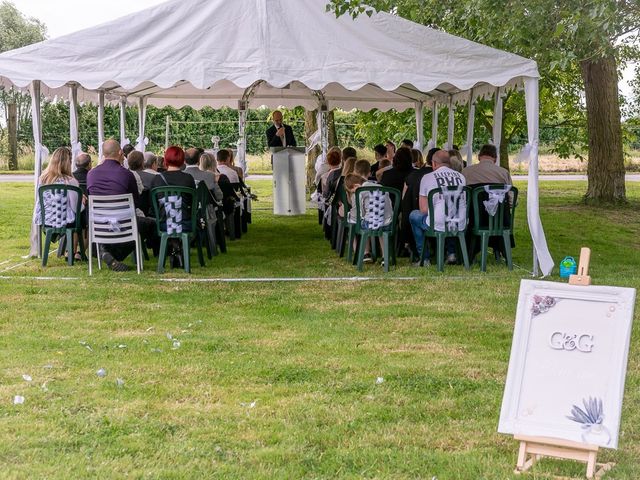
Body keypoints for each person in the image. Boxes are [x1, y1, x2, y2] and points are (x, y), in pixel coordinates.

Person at [87, 139, 156, 271]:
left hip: (99, 225)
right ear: (120, 153)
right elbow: (135, 202)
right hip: (124, 225)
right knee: (150, 224)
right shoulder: (127, 174)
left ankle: (104, 251)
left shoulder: (91, 174)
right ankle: (111, 254)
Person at [409, 150, 466, 266]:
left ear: (434, 163)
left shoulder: (427, 177)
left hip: (437, 224)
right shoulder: (461, 177)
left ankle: (424, 258)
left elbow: (423, 210)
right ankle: (452, 253)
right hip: (459, 223)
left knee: (414, 215)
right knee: (449, 216)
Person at [33, 147, 84, 259]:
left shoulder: (42, 179)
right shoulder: (71, 181)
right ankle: (75, 252)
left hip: (46, 221)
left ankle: (69, 251)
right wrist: (83, 201)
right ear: (68, 162)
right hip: (65, 221)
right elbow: (77, 209)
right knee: (81, 218)